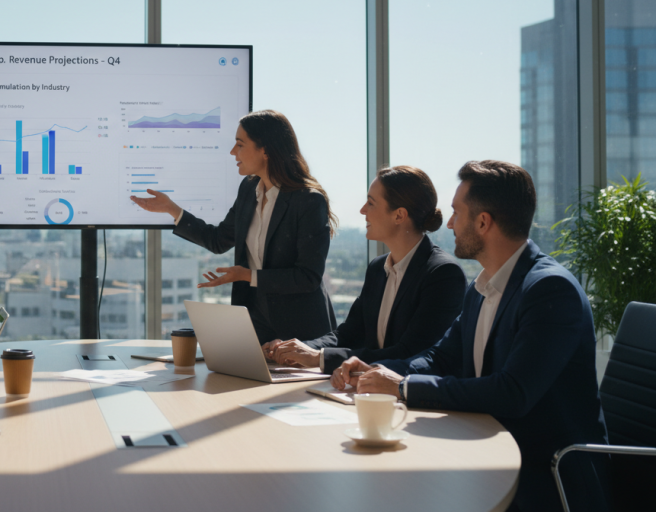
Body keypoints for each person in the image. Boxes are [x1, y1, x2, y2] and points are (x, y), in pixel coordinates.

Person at [333, 160, 609, 512]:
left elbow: (512, 393)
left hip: (545, 475)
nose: (448, 223)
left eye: (456, 213)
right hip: (485, 448)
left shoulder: (548, 290)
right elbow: (440, 357)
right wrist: (377, 371)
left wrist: (402, 387)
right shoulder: (480, 287)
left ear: (483, 222)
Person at [131, 109, 337, 343]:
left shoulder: (308, 200)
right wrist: (172, 209)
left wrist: (247, 275)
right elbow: (218, 240)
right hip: (256, 324)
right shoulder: (249, 189)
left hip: (301, 331)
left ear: (266, 150)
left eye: (240, 144)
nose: (232, 152)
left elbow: (307, 277)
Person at [262, 165, 466, 372]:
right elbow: (348, 334)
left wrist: (319, 358)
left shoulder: (443, 274)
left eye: (371, 203)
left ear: (399, 216)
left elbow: (411, 352)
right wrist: (299, 348)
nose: (362, 210)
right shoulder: (378, 268)